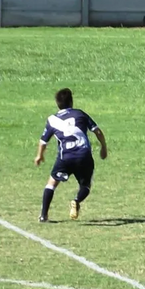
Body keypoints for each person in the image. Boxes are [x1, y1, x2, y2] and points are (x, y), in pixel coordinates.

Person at [35, 88, 108, 222]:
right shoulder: (80, 114)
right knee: (85, 186)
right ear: (71, 102)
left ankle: (44, 215)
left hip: (65, 157)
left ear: (57, 103)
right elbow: (97, 131)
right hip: (83, 156)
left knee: (52, 183)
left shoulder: (52, 120)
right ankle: (76, 200)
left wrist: (39, 156)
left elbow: (43, 141)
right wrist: (103, 147)